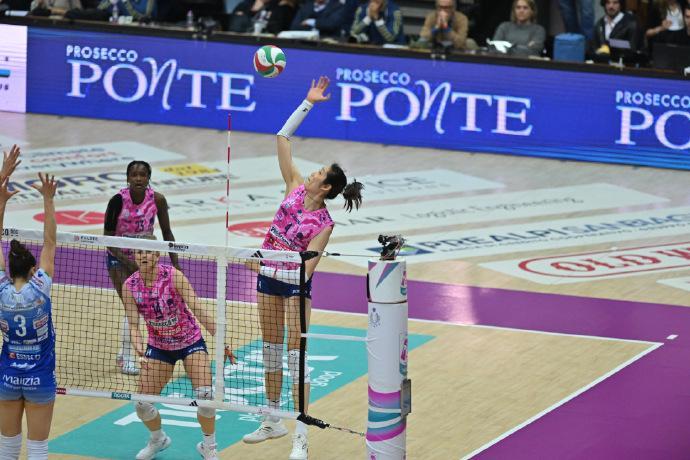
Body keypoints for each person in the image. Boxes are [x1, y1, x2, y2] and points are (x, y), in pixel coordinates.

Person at [241, 76, 363, 460]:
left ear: (326, 188)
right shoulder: (293, 186)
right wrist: (307, 102)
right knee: (270, 351)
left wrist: (263, 263)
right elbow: (282, 137)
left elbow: (304, 272)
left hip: (293, 288)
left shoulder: (324, 224)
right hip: (267, 281)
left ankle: (301, 435)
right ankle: (271, 419)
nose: (311, 173)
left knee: (297, 359)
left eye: (319, 173)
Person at [121, 237, 234, 460]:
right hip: (159, 347)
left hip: (190, 342)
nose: (143, 256)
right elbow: (133, 324)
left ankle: (209, 446)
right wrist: (138, 348)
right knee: (142, 404)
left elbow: (198, 308)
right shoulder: (129, 286)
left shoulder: (173, 276)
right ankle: (158, 439)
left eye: (148, 252)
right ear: (134, 255)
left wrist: (223, 342)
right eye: (139, 252)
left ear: (157, 255)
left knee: (205, 397)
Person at [0, 145, 58, 460]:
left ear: (9, 270)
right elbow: (50, 241)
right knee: (37, 448)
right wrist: (48, 198)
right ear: (34, 269)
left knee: (7, 448)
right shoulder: (41, 287)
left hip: (8, 376)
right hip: (40, 377)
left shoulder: (1, 291)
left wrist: (1, 200)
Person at [103, 160, 179, 375]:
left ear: (148, 178)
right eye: (134, 175)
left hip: (145, 258)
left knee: (144, 305)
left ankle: (125, 353)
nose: (138, 178)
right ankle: (128, 357)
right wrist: (129, 262)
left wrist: (176, 264)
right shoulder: (117, 201)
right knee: (133, 306)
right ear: (128, 178)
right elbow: (107, 239)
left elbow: (167, 233)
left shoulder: (158, 199)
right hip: (118, 258)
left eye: (142, 174)